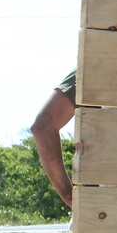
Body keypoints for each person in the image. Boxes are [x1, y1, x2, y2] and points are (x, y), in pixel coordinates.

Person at [30, 69, 76, 210]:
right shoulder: (94, 65)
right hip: (104, 208)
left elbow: (43, 127)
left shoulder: (94, 65)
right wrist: (70, 196)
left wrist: (71, 197)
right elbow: (43, 127)